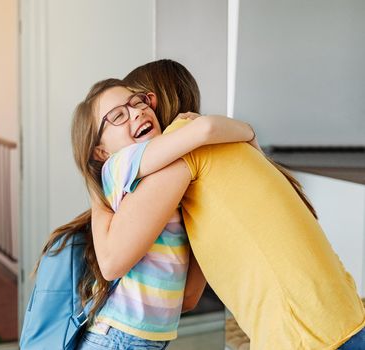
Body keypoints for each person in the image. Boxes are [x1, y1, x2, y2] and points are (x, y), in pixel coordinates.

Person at [83, 59, 364, 349]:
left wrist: (92, 183)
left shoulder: (184, 149)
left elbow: (112, 261)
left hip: (304, 336)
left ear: (152, 102)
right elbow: (190, 296)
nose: (137, 112)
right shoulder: (223, 147)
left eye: (139, 102)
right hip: (344, 318)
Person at [71, 78, 260, 349]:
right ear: (101, 151)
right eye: (118, 116)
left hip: (138, 336)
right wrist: (250, 133)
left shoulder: (153, 175)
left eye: (137, 101)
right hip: (118, 336)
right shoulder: (117, 164)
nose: (136, 112)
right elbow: (206, 129)